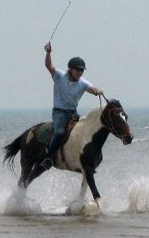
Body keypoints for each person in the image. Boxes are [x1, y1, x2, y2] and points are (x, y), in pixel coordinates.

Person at [40, 42, 104, 170]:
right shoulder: (59, 76)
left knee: (83, 131)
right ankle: (48, 158)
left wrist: (97, 90)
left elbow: (91, 88)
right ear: (70, 69)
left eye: (81, 70)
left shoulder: (82, 83)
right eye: (77, 69)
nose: (79, 72)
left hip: (73, 112)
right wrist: (48, 53)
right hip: (59, 112)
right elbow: (48, 65)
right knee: (59, 132)